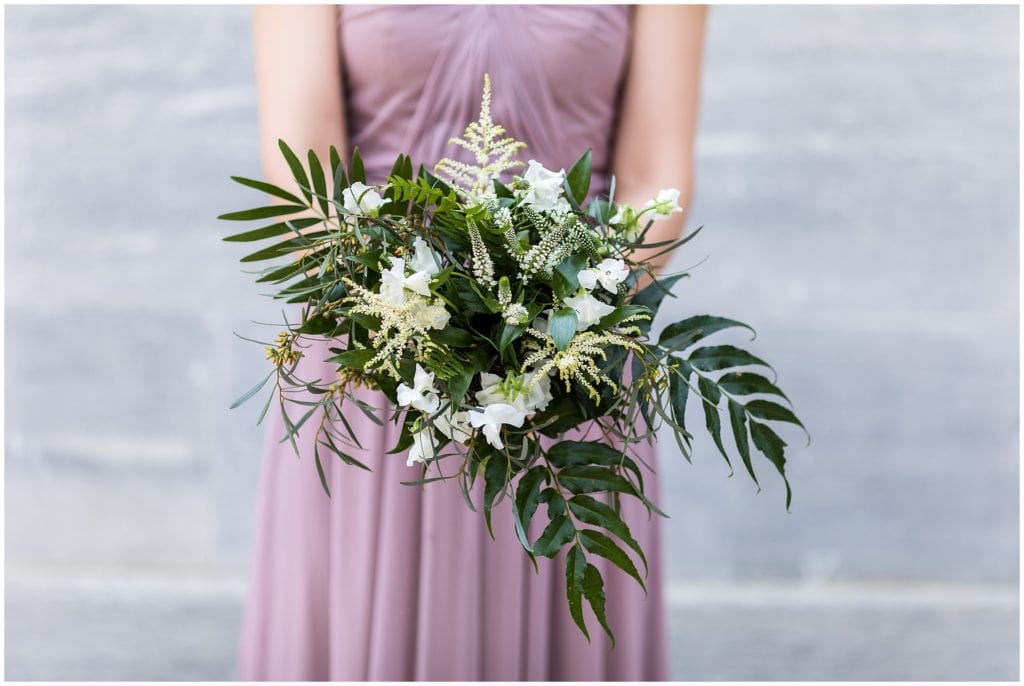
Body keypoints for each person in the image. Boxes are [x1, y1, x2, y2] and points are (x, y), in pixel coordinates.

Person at [236, 4, 707, 680]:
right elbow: (304, 187)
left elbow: (655, 178)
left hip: (574, 373)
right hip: (377, 372)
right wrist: (410, 324)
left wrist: (560, 325)